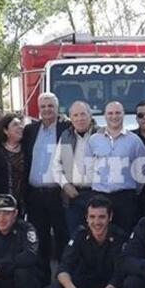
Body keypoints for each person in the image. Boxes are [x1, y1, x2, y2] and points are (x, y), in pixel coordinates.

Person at [48, 195, 130, 288]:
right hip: (88, 282)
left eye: (101, 217)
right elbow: (63, 268)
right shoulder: (80, 234)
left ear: (110, 217)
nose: (96, 222)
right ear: (86, 217)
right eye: (92, 217)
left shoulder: (120, 237)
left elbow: (119, 277)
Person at [22, 92, 70, 285]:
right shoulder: (30, 130)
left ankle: (64, 279)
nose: (47, 110)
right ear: (38, 109)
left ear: (57, 108)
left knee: (62, 238)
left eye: (51, 106)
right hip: (34, 195)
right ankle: (42, 280)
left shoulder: (67, 127)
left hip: (59, 194)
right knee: (38, 238)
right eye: (43, 106)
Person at [86, 100, 145, 233]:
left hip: (125, 199)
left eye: (118, 113)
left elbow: (142, 171)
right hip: (99, 198)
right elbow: (88, 167)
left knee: (125, 236)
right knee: (99, 236)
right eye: (110, 113)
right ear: (105, 115)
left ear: (123, 114)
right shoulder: (93, 140)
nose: (114, 116)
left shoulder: (135, 141)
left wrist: (133, 191)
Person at [53, 101, 97, 235]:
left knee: (98, 235)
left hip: (97, 194)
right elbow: (56, 165)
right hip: (73, 196)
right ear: (70, 118)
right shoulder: (66, 136)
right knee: (76, 236)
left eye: (83, 114)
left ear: (90, 115)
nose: (79, 118)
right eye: (75, 115)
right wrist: (65, 185)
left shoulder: (102, 134)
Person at [0, 113, 27, 212]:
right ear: (6, 131)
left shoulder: (27, 148)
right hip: (2, 203)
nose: (20, 127)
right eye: (15, 125)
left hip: (24, 203)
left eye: (20, 124)